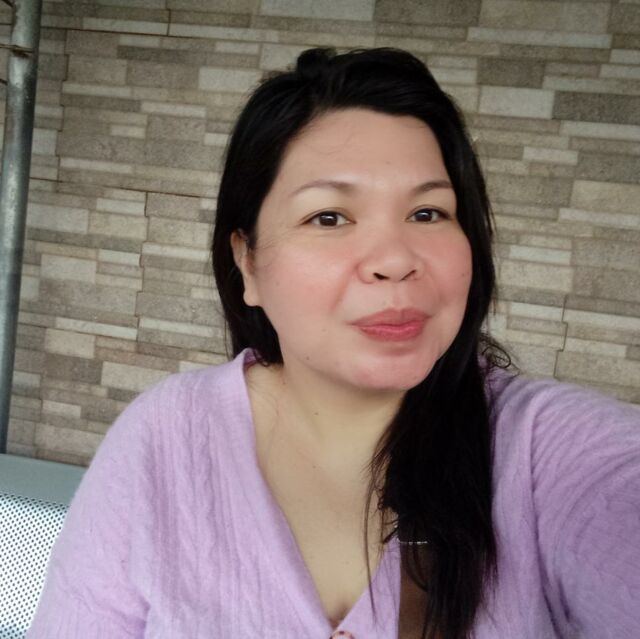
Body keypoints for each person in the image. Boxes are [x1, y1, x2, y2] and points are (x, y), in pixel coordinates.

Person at [27, 47, 640, 639]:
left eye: (428, 213)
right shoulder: (163, 438)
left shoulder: (548, 454)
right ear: (247, 262)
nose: (395, 260)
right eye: (329, 217)